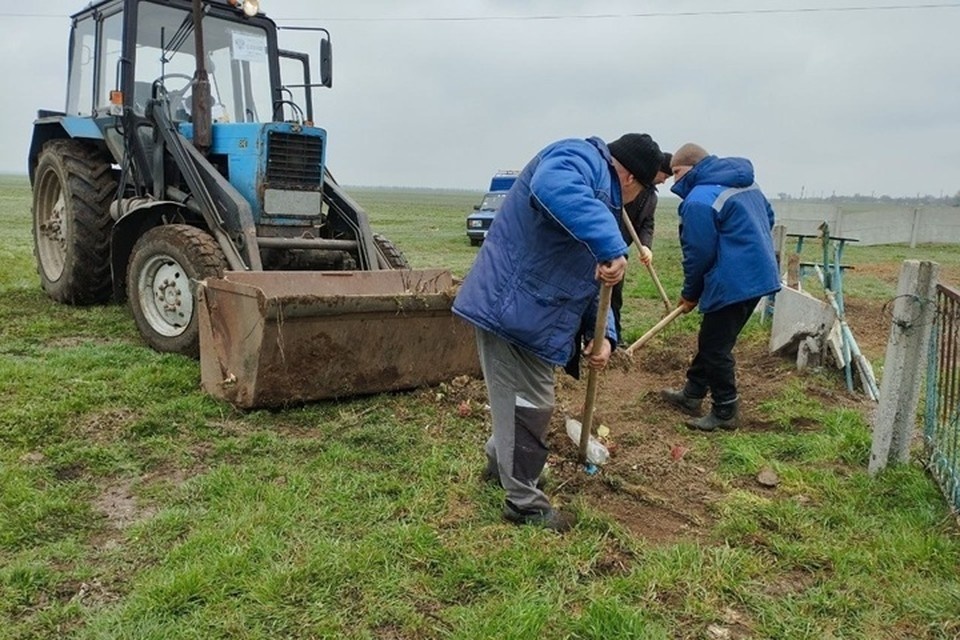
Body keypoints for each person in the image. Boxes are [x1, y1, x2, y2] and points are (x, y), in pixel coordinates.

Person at [453, 133, 663, 532]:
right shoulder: (578, 157)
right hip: (513, 308)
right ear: (632, 180)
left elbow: (589, 276)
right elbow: (552, 185)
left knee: (519, 399)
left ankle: (503, 465)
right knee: (530, 403)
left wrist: (603, 336)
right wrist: (610, 243)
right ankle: (524, 503)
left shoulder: (598, 198)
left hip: (533, 310)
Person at [660, 143, 780, 431]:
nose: (674, 180)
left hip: (734, 280)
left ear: (691, 167)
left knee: (715, 348)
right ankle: (692, 394)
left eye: (676, 172)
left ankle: (725, 411)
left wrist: (690, 293)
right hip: (757, 275)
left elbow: (698, 253)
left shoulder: (700, 199)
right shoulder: (747, 184)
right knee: (713, 338)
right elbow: (769, 218)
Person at [611, 151, 673, 339]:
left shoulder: (651, 197)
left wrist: (646, 246)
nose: (664, 181)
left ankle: (614, 339)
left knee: (614, 298)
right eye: (664, 176)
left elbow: (647, 224)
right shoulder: (623, 187)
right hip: (601, 248)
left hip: (620, 252)